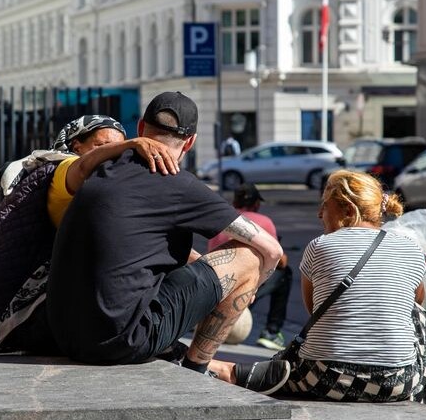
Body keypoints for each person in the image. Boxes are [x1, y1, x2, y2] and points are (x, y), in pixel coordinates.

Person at [46, 92, 289, 391]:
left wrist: (208, 273)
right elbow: (272, 250)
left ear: (139, 129)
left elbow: (141, 245)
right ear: (190, 142)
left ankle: (209, 366)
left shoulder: (102, 172)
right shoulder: (177, 184)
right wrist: (247, 288)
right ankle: (197, 369)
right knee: (249, 257)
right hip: (117, 343)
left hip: (64, 335)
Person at [0, 115, 178, 354]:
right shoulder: (63, 169)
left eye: (117, 149)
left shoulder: (55, 174)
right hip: (4, 317)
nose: (112, 154)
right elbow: (83, 166)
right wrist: (131, 144)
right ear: (77, 146)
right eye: (103, 146)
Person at [216, 170, 426, 401]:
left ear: (348, 210)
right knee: (423, 321)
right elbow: (416, 302)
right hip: (398, 383)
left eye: (325, 206)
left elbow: (314, 311)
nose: (319, 214)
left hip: (325, 377)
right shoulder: (411, 248)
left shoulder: (320, 246)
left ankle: (231, 371)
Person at [207, 183, 291, 350]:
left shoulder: (223, 218)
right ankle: (271, 332)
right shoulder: (264, 222)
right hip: (243, 287)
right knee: (285, 273)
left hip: (218, 283)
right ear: (257, 204)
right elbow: (280, 260)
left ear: (234, 202)